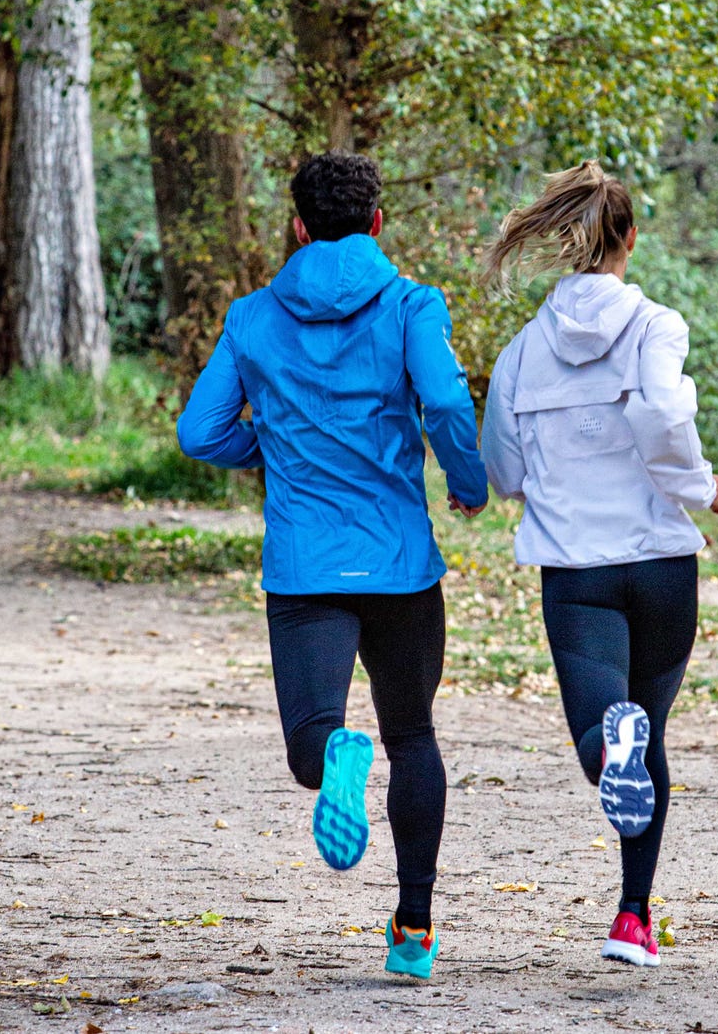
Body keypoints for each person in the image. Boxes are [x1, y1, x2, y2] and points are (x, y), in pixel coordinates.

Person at [177, 151, 488, 980]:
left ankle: (335, 757)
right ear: (378, 223)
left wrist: (278, 449)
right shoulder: (411, 304)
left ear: (298, 226)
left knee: (313, 736)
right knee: (415, 733)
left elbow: (200, 431)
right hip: (400, 565)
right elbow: (450, 404)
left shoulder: (251, 316)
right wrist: (468, 482)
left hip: (305, 565)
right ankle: (414, 932)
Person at [481, 160, 718, 968]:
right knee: (649, 733)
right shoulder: (657, 325)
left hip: (577, 573)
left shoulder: (523, 351)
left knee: (603, 732)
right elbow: (663, 414)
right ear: (629, 237)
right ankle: (633, 917)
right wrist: (702, 487)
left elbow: (504, 468)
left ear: (566, 244)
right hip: (662, 561)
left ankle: (608, 748)